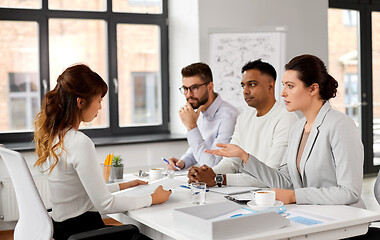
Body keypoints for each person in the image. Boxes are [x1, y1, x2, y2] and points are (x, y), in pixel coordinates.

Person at [206, 54, 365, 208]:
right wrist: (244, 156)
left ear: (313, 89)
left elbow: (349, 192)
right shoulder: (298, 128)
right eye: (284, 85)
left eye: (290, 86)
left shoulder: (341, 125)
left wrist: (295, 196)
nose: (283, 93)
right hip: (312, 214)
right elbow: (284, 181)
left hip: (345, 219)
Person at [34, 64, 171, 240]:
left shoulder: (55, 138)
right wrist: (153, 198)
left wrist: (122, 186)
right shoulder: (79, 142)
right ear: (80, 102)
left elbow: (81, 192)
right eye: (99, 100)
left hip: (65, 231)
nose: (99, 107)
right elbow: (106, 204)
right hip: (86, 232)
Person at [188, 59, 298, 187]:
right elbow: (231, 162)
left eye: (252, 84)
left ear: (270, 85)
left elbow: (271, 175)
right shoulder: (244, 117)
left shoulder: (286, 118)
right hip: (243, 192)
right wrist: (204, 174)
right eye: (243, 85)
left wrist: (218, 179)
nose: (245, 91)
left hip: (269, 196)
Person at [166, 62, 239, 170]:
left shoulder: (228, 117)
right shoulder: (199, 110)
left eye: (194, 88)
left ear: (210, 86)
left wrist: (191, 127)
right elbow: (199, 148)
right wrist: (183, 162)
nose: (189, 94)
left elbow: (212, 166)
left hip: (227, 182)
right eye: (185, 89)